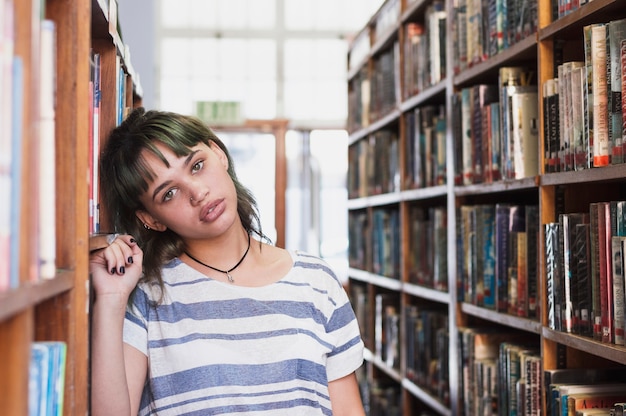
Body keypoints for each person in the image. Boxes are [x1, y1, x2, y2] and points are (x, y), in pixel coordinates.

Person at [89, 107, 365, 416]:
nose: (197, 192)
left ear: (219, 154)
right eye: (169, 193)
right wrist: (112, 299)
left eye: (197, 165)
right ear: (151, 219)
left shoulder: (317, 282)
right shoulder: (146, 298)